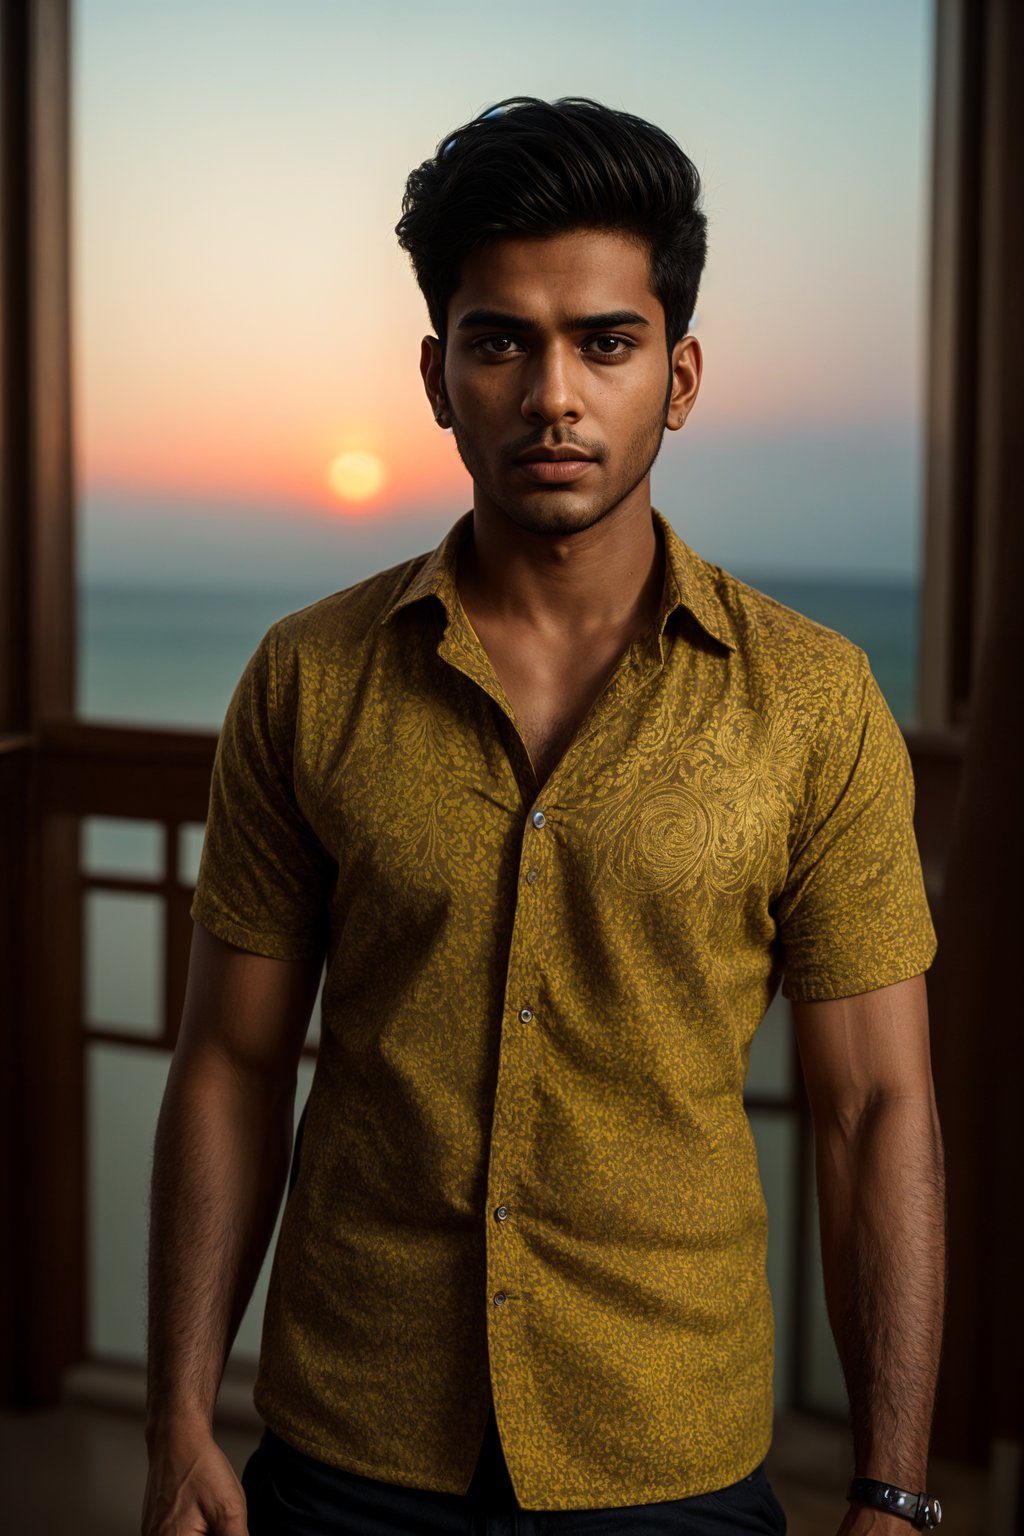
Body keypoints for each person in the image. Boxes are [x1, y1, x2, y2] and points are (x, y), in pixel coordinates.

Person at [142, 97, 946, 1536]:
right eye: (501, 339)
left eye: (607, 342)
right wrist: (175, 1416)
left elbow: (876, 1108)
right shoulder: (308, 679)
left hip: (670, 1458)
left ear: (680, 376)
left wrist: (891, 1488)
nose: (554, 394)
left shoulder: (816, 708)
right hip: (348, 1445)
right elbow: (231, 1065)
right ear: (440, 376)